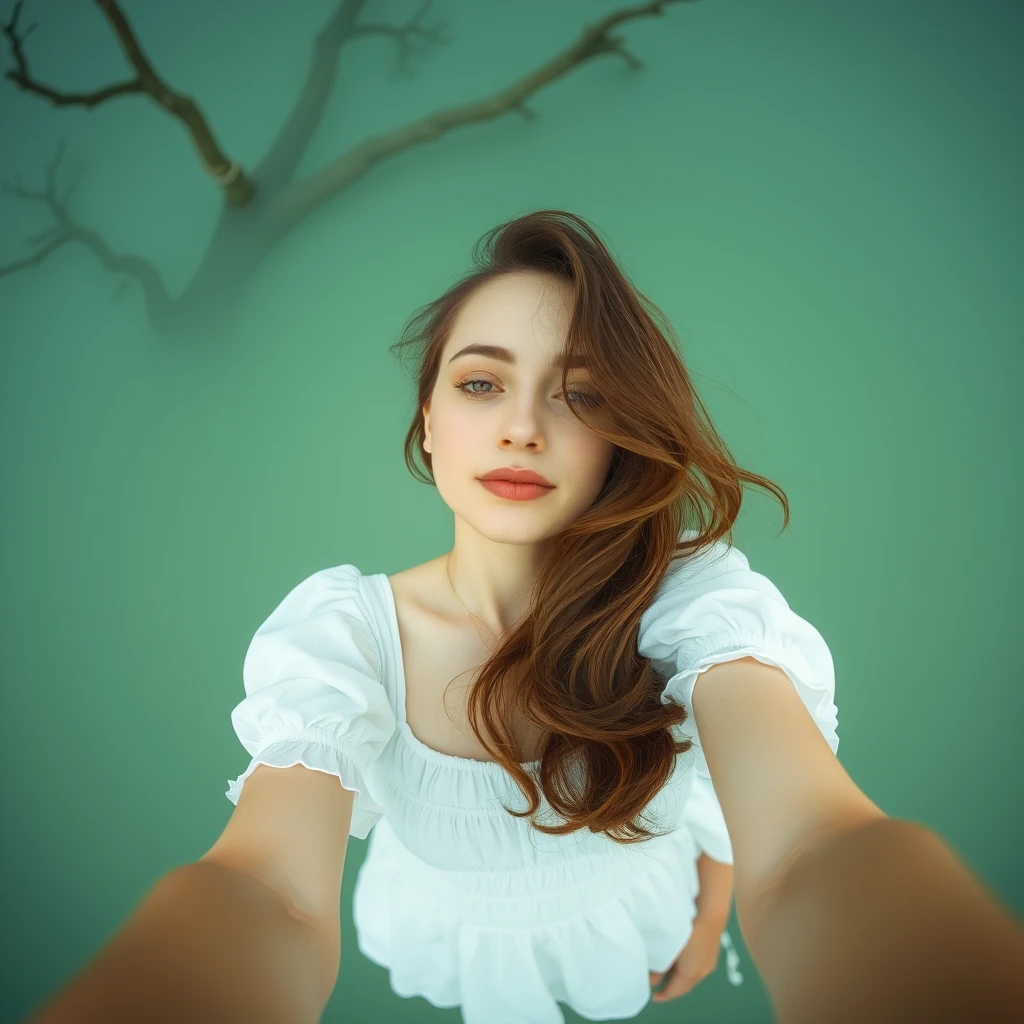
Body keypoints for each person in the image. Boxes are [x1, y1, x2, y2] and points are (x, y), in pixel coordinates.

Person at [25, 211, 1024, 1024]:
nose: (522, 424)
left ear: (619, 439)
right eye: (480, 381)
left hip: (637, 903)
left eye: (578, 395)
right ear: (428, 419)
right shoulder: (341, 638)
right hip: (444, 910)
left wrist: (716, 895)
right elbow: (266, 893)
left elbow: (810, 840)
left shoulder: (693, 601)